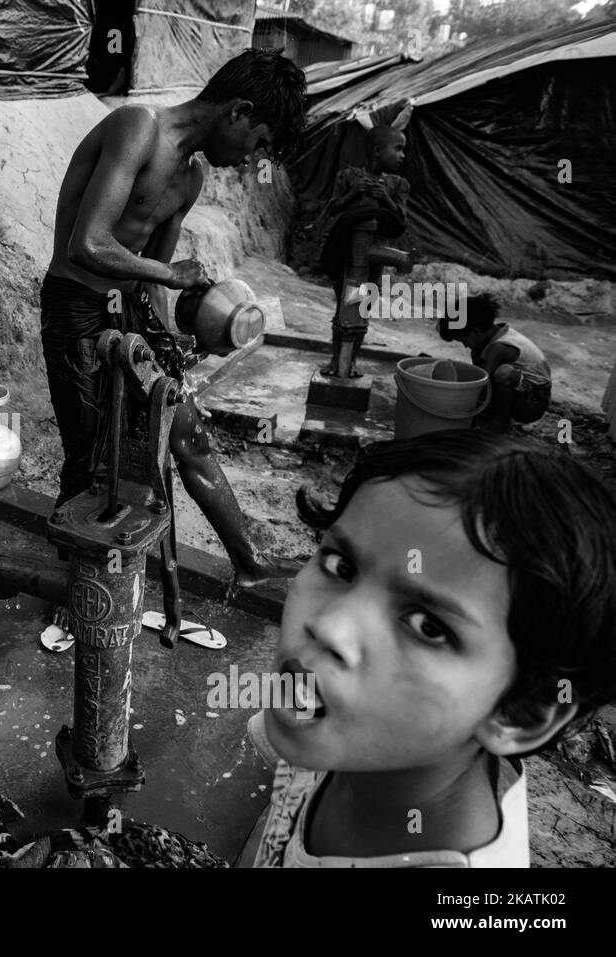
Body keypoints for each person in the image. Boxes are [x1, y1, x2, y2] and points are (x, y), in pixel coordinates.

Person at [241, 431, 616, 866]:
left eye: (428, 626)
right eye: (342, 566)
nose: (328, 627)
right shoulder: (347, 724)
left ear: (518, 713)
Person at [42, 47, 305, 588]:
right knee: (89, 459)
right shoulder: (137, 127)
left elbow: (153, 277)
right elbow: (86, 245)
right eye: (256, 142)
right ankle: (77, 590)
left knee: (187, 431)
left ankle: (248, 563)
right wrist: (166, 277)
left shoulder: (191, 179)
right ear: (238, 110)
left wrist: (179, 343)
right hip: (76, 303)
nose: (246, 160)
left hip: (130, 306)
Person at [318, 124, 411, 378]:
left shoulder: (398, 184)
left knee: (362, 309)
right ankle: (336, 360)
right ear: (379, 150)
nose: (403, 155)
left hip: (374, 258)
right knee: (343, 309)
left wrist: (385, 198)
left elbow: (400, 222)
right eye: (399, 149)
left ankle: (353, 361)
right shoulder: (349, 176)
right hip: (346, 254)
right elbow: (333, 208)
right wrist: (353, 195)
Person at [439, 294, 551, 432]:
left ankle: (500, 423)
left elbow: (482, 382)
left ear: (475, 331)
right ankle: (490, 414)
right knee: (481, 363)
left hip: (534, 403)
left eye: (463, 340)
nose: (465, 346)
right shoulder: (486, 341)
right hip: (521, 392)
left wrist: (458, 402)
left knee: (503, 373)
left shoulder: (499, 347)